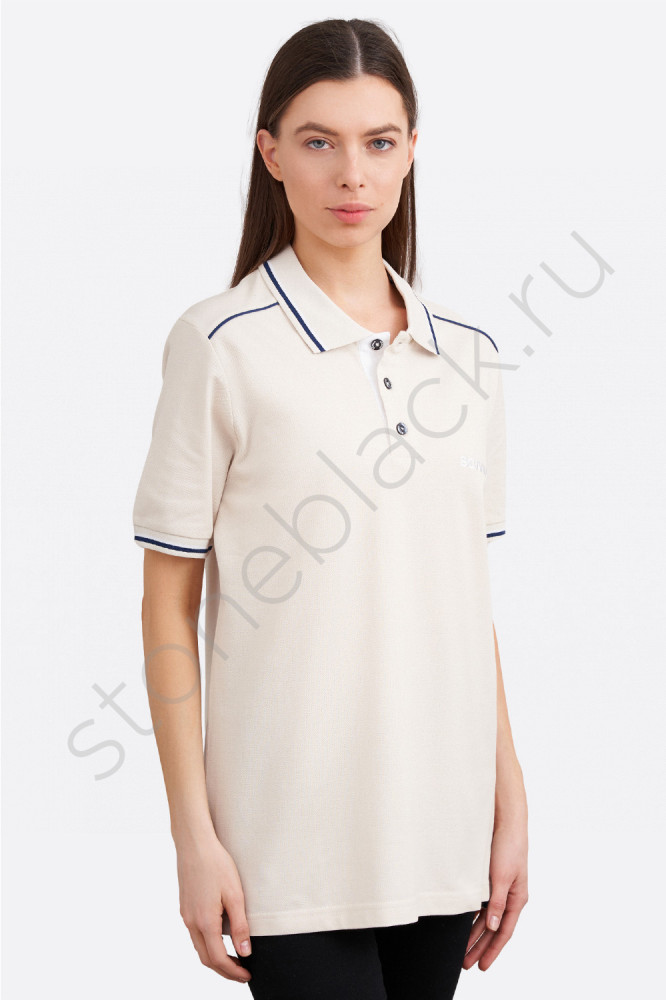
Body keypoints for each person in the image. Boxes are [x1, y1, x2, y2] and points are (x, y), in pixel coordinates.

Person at [132, 17, 528, 999]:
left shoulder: (470, 357)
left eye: (378, 141)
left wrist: (509, 802)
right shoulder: (219, 345)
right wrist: (193, 838)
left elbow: (462, 601)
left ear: (411, 150)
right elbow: (167, 606)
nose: (352, 174)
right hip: (285, 851)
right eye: (319, 141)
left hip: (444, 835)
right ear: (271, 154)